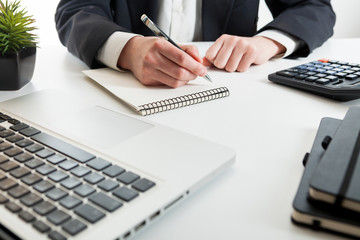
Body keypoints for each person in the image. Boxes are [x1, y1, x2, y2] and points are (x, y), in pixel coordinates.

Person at [55, 0, 335, 88]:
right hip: (126, 97)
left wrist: (267, 42)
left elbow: (314, 6)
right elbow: (76, 10)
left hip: (233, 100)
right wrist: (129, 50)